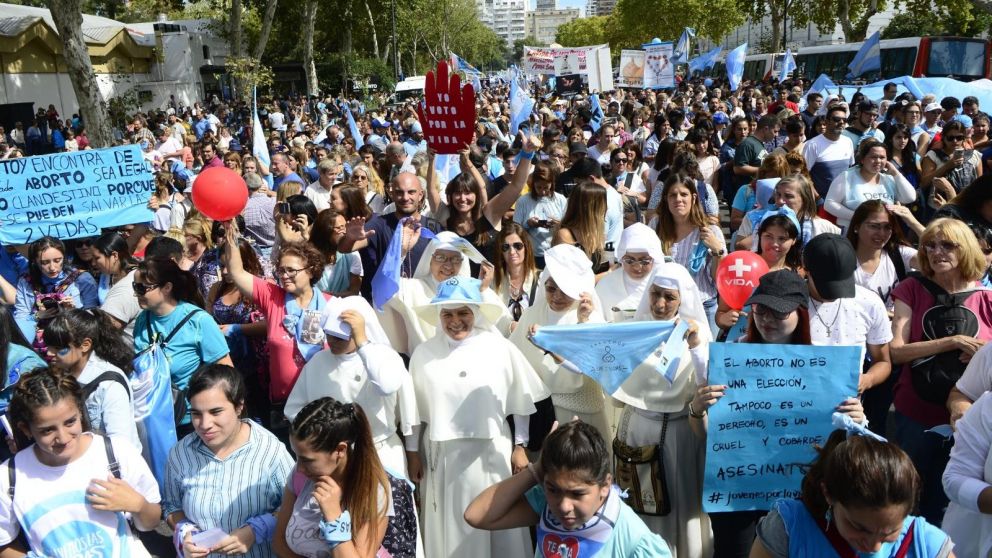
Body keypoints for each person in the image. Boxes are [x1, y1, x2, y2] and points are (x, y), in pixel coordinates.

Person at [694, 270, 868, 554]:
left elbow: (844, 441)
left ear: (801, 312)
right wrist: (697, 409)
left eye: (778, 312)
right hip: (739, 494)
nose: (766, 320)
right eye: (760, 310)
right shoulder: (732, 357)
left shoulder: (827, 366)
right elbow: (706, 435)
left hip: (802, 493)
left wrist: (857, 420)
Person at [407, 276, 549, 558]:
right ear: (438, 316)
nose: (455, 321)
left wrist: (520, 446)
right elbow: (414, 412)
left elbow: (520, 401)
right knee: (452, 525)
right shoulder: (423, 354)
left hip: (492, 453)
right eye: (447, 314)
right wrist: (412, 453)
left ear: (476, 313)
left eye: (463, 313)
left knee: (497, 522)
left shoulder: (500, 349)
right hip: (443, 458)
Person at [889, 217, 992, 524]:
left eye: (947, 245)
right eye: (930, 245)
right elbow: (896, 351)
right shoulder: (911, 288)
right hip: (915, 413)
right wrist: (951, 342)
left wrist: (980, 353)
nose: (937, 252)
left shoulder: (987, 298)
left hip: (969, 421)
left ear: (968, 250)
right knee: (905, 497)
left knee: (951, 503)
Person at [0, 369, 161, 556]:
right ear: (26, 429)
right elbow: (4, 542)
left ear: (80, 412)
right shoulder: (9, 477)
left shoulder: (116, 452)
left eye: (70, 422)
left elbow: (152, 521)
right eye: (47, 430)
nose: (62, 437)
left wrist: (138, 505)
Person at [464, 420, 674, 558]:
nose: (564, 506)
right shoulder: (545, 504)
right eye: (553, 489)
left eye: (577, 494)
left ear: (605, 485)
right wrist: (536, 469)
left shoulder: (636, 542)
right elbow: (477, 516)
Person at [750, 428, 954, 557]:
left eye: (890, 531)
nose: (874, 547)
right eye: (859, 527)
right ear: (828, 493)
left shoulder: (928, 545)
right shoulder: (788, 528)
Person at [164, 364, 294, 558]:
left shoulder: (270, 452)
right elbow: (171, 506)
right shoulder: (180, 453)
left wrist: (257, 530)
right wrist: (185, 533)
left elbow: (296, 506)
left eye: (216, 412)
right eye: (196, 414)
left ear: (239, 406)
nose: (205, 424)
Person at [284, 297, 418, 474]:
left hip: (381, 452)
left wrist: (413, 452)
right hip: (332, 457)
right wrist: (324, 438)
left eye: (340, 337)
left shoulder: (385, 357)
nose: (331, 341)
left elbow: (387, 387)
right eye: (329, 334)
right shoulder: (318, 361)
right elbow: (294, 410)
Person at [275, 397, 420, 557]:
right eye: (296, 456)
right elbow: (279, 541)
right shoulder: (300, 477)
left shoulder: (373, 491)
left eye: (308, 460)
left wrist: (334, 517)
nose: (299, 468)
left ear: (340, 450)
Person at [221, 224, 330, 433]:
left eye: (292, 270)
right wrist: (231, 234)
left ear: (311, 270)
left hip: (322, 403)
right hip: (283, 406)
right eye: (281, 270)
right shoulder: (273, 297)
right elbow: (237, 271)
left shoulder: (330, 304)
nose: (284, 275)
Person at [511, 244, 609, 442]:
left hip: (583, 420)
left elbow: (590, 364)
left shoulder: (592, 319)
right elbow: (516, 368)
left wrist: (583, 323)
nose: (556, 297)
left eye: (565, 291)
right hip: (540, 417)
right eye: (551, 288)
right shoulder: (532, 315)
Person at [132, 257, 233, 431]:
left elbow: (227, 373)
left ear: (167, 287)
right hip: (154, 418)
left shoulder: (199, 321)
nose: (136, 293)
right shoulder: (142, 319)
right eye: (135, 287)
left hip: (193, 422)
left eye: (142, 288)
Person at [42, 308, 140, 451]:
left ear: (85, 345)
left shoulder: (109, 385)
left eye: (59, 348)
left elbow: (121, 445)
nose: (50, 353)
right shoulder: (58, 374)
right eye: (48, 347)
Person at [341, 172, 445, 299]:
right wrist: (350, 238)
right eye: (399, 192)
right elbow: (345, 248)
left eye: (411, 192)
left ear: (420, 195)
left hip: (424, 300)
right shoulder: (380, 224)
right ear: (392, 194)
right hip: (390, 301)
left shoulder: (434, 228)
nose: (405, 197)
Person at [654, 173, 726, 334]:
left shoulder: (711, 231)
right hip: (665, 308)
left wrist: (717, 251)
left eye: (683, 194)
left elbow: (719, 279)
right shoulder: (655, 226)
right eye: (672, 195)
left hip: (702, 306)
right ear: (666, 199)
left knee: (704, 357)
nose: (678, 199)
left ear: (693, 198)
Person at [13, 236, 99, 344]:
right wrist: (37, 316)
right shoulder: (26, 281)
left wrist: (73, 311)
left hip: (72, 343)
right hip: (38, 345)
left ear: (65, 257)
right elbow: (20, 317)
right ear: (35, 261)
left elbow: (93, 318)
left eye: (58, 260)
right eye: (45, 262)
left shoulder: (82, 278)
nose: (52, 267)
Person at [824, 139, 917, 229]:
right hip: (852, 232)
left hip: (882, 233)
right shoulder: (846, 177)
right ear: (862, 159)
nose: (878, 161)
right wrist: (859, 217)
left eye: (882, 157)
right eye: (873, 157)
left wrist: (895, 173)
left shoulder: (889, 179)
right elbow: (829, 204)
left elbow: (910, 197)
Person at [846, 200, 920, 313]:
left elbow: (942, 258)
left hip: (896, 328)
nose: (881, 233)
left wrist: (913, 223)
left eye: (887, 227)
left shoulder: (899, 254)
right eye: (874, 226)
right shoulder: (842, 259)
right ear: (856, 227)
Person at [596, 223, 665, 322]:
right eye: (629, 261)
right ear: (621, 257)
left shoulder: (664, 283)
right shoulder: (605, 285)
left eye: (644, 261)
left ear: (654, 258)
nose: (637, 267)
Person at [513, 160, 567, 268]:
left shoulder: (560, 200)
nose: (542, 192)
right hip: (532, 254)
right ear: (533, 184)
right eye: (539, 187)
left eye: (546, 188)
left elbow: (569, 227)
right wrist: (528, 224)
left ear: (552, 184)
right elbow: (515, 229)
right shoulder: (523, 201)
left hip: (555, 253)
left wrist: (560, 224)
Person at [90, 232, 142, 337]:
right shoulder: (108, 275)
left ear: (114, 255)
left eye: (97, 258)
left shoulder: (127, 286)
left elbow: (107, 327)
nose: (93, 263)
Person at [553, 181, 609, 273]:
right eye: (602, 204)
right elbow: (567, 278)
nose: (607, 208)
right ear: (591, 208)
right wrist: (608, 273)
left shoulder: (597, 233)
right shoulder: (565, 236)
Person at [802, 104, 855, 199]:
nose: (841, 122)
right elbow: (803, 175)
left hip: (844, 199)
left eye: (844, 120)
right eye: (836, 119)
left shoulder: (848, 142)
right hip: (821, 202)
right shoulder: (812, 145)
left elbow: (851, 170)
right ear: (826, 122)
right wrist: (818, 199)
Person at [492, 222, 540, 322]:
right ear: (501, 252)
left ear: (526, 247)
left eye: (517, 246)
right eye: (506, 247)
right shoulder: (493, 282)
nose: (512, 252)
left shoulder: (541, 279)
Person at [311, 208, 363, 298]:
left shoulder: (352, 255)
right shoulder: (309, 255)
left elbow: (354, 291)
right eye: (339, 228)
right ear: (325, 230)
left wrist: (328, 297)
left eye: (345, 226)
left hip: (345, 306)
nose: (344, 231)